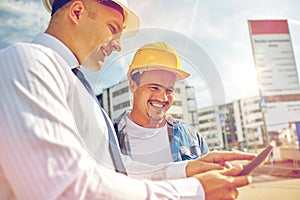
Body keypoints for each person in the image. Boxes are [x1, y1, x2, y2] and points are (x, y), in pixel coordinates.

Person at [0, 0, 255, 199]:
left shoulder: (78, 89)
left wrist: (188, 170)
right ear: (77, 12)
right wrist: (194, 192)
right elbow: (62, 187)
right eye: (113, 29)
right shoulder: (27, 62)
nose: (118, 46)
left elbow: (117, 171)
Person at [114, 42, 209, 165]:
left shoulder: (192, 137)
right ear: (133, 85)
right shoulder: (109, 137)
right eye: (154, 87)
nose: (163, 98)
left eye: (169, 90)